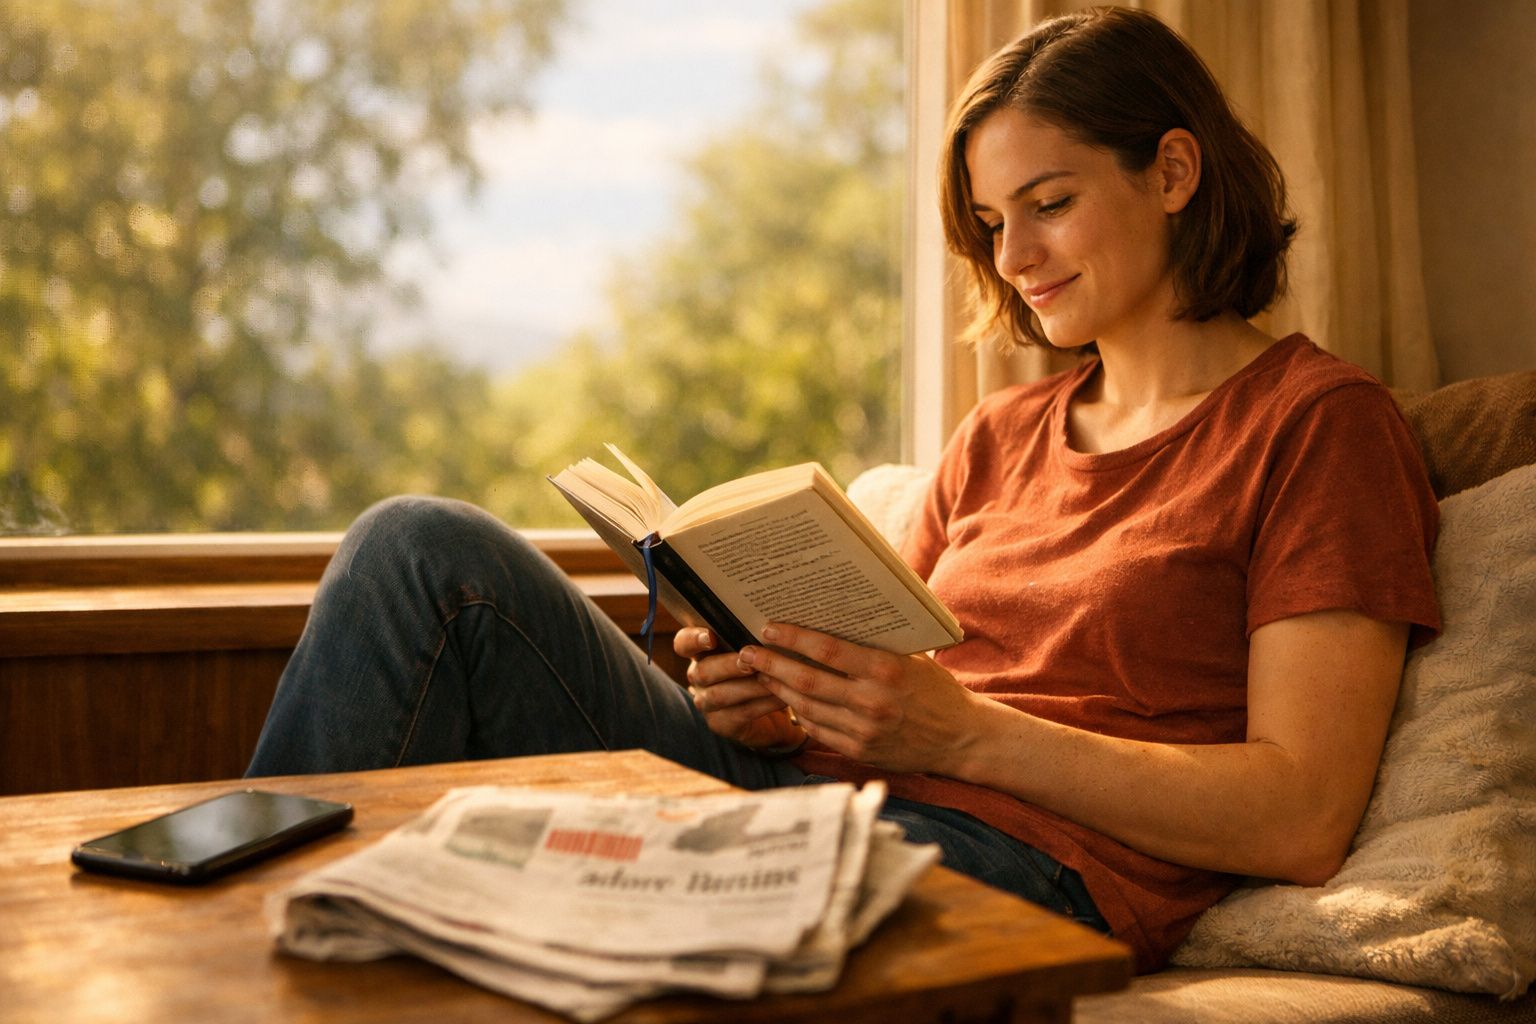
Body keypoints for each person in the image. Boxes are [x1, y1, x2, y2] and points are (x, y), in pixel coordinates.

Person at [247, 7, 1440, 972]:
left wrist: (967, 735)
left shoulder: (1319, 425)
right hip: (808, 795)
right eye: (990, 222)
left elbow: (1300, 815)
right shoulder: (1000, 433)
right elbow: (890, 684)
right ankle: (229, 945)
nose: (1014, 258)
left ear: (1173, 171)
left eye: (1050, 204)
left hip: (1015, 860)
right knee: (420, 550)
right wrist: (781, 697)